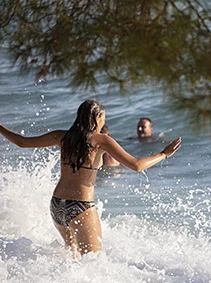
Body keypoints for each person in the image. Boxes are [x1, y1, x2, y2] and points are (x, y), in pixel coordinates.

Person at [0, 99, 182, 256]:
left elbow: (22, 142)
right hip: (80, 206)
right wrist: (164, 154)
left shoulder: (61, 137)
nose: (104, 122)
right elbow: (136, 165)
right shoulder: (101, 140)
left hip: (58, 205)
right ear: (97, 118)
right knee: (91, 264)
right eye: (103, 118)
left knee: (72, 258)